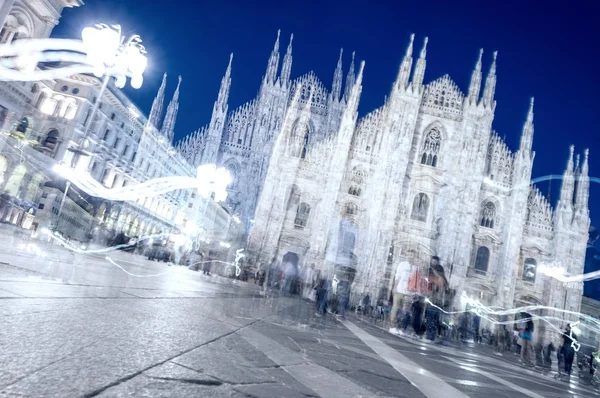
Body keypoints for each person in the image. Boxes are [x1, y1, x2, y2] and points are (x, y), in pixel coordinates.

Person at [390, 259, 417, 334]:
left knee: (405, 310)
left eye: (412, 255)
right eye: (409, 255)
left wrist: (414, 292)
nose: (411, 257)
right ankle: (393, 326)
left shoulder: (416, 267)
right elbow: (397, 276)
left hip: (409, 292)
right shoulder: (402, 264)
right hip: (400, 289)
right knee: (396, 307)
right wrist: (395, 287)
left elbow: (416, 281)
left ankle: (400, 327)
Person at [424, 256, 448, 341]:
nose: (433, 264)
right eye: (432, 262)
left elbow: (441, 289)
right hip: (431, 299)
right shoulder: (429, 272)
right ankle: (430, 335)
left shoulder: (441, 278)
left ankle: (430, 336)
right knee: (432, 318)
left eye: (434, 262)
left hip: (436, 301)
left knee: (432, 318)